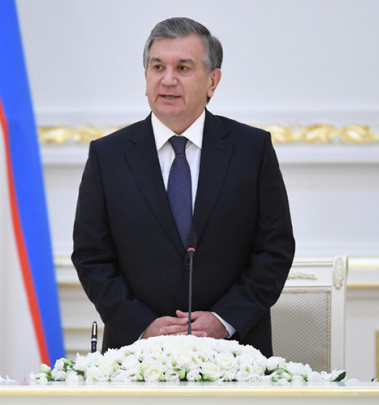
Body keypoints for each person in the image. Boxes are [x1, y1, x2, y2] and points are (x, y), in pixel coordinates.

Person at [71, 17, 295, 357]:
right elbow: (91, 256)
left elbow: (274, 249)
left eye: (183, 68)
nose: (168, 80)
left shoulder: (251, 149)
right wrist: (142, 326)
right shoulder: (109, 155)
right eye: (157, 66)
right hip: (135, 354)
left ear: (212, 81)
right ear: (146, 76)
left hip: (234, 351)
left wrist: (224, 320)